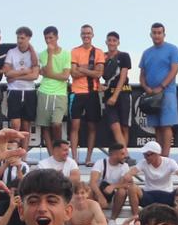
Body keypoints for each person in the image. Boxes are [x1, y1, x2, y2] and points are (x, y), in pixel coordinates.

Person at [139, 22, 178, 155]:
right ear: (150, 34)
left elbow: (174, 70)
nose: (157, 35)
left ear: (164, 34)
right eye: (154, 33)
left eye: (159, 33)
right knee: (156, 127)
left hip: (167, 92)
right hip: (151, 94)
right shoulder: (146, 53)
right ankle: (157, 155)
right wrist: (145, 87)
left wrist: (162, 86)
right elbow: (142, 74)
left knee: (166, 125)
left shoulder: (172, 49)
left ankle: (165, 156)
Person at [134, 140, 178, 225]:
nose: (146, 157)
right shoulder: (143, 163)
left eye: (148, 155)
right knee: (132, 188)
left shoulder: (169, 162)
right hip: (149, 194)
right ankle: (136, 218)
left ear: (156, 154)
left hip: (167, 194)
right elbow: (128, 175)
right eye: (144, 155)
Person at [68, 24, 103, 165]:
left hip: (92, 93)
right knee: (75, 126)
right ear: (80, 35)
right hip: (77, 92)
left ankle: (88, 158)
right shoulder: (75, 51)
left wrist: (82, 69)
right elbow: (73, 73)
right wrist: (90, 69)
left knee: (92, 127)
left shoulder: (98, 52)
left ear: (92, 35)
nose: (86, 36)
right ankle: (74, 158)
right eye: (83, 33)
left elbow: (99, 73)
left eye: (88, 33)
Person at [35, 25, 73, 143]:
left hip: (60, 93)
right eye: (46, 38)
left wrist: (48, 74)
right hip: (44, 91)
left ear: (57, 37)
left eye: (51, 38)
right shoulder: (42, 54)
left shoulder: (66, 53)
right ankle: (52, 155)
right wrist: (50, 55)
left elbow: (66, 76)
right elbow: (45, 71)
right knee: (45, 126)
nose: (48, 41)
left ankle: (59, 149)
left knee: (56, 123)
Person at [2, 26, 40, 142]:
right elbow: (7, 72)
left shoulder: (34, 54)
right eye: (18, 38)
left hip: (29, 91)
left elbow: (35, 75)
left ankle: (23, 155)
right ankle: (14, 153)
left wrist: (16, 76)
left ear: (28, 38)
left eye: (22, 38)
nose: (19, 40)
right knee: (15, 124)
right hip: (14, 91)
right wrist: (24, 71)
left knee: (26, 125)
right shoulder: (11, 52)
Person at [101, 29, 134, 149]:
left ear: (118, 42)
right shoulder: (102, 57)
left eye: (114, 40)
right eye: (109, 40)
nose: (111, 43)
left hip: (123, 93)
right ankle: (124, 154)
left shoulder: (124, 56)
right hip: (108, 95)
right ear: (106, 42)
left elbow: (123, 75)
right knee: (115, 125)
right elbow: (97, 73)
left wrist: (115, 95)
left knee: (124, 126)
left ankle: (123, 154)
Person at [99, 144, 138, 218]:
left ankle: (112, 219)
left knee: (122, 191)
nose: (125, 156)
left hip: (115, 196)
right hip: (100, 193)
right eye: (122, 154)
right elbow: (93, 183)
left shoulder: (125, 166)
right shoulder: (101, 163)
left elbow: (129, 184)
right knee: (90, 190)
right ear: (114, 155)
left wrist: (113, 186)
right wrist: (100, 197)